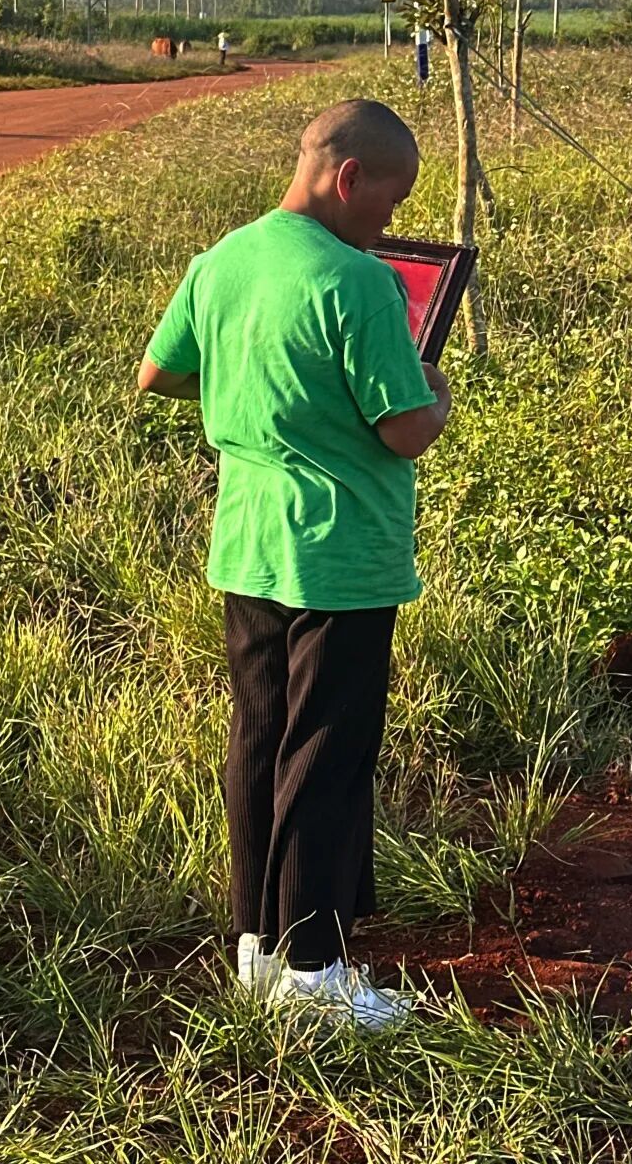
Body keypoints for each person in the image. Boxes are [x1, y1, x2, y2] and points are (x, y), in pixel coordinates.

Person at [137, 99, 452, 1031]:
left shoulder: (224, 259)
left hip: (248, 543)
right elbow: (403, 432)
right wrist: (436, 390)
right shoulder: (358, 284)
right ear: (349, 178)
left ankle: (257, 950)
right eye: (389, 205)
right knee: (327, 751)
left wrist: (252, 386)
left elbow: (158, 374)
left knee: (263, 740)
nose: (389, 226)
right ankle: (313, 974)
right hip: (341, 555)